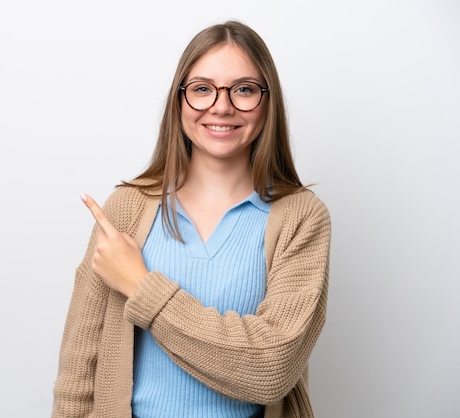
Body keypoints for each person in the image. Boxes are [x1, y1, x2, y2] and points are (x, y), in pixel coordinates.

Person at [52, 20, 331, 418]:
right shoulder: (128, 210)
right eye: (202, 89)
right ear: (179, 101)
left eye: (244, 89)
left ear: (268, 102)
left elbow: (271, 370)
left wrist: (141, 287)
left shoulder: (301, 218)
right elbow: (79, 371)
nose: (222, 106)